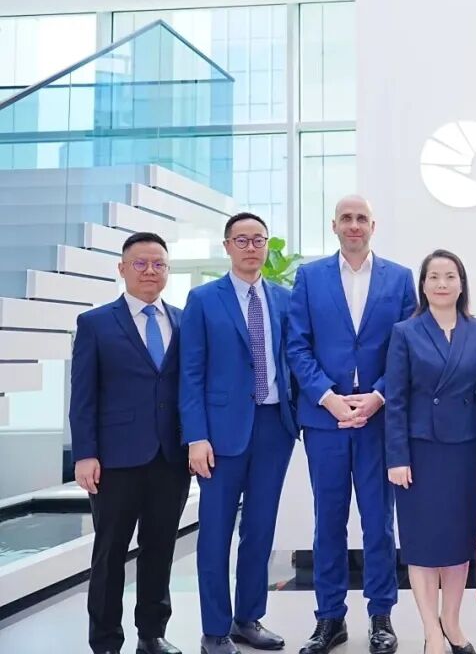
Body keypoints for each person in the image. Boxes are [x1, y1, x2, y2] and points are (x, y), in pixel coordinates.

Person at [287, 195, 417, 654]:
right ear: (334, 226)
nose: (354, 225)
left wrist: (379, 396)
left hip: (378, 420)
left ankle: (381, 616)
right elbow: (297, 345)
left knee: (379, 523)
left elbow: (407, 348)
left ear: (373, 226)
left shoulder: (399, 278)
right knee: (328, 522)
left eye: (362, 218)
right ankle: (330, 619)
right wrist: (328, 398)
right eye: (347, 218)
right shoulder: (310, 277)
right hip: (326, 421)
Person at [180, 212, 299, 654]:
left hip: (274, 427)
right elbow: (190, 372)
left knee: (260, 529)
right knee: (215, 533)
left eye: (258, 240)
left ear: (267, 245)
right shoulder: (203, 299)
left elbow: (295, 360)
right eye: (242, 240)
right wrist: (196, 436)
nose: (252, 247)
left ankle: (248, 618)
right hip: (219, 434)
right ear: (227, 246)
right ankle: (214, 629)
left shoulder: (284, 299)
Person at [69, 232, 190, 654]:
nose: (150, 271)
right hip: (115, 459)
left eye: (159, 264)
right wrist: (85, 454)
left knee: (160, 548)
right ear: (122, 269)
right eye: (140, 263)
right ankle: (105, 639)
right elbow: (82, 396)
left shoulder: (184, 321)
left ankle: (152, 633)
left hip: (170, 457)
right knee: (110, 552)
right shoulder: (96, 323)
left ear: (168, 271)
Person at [384, 249, 476, 654]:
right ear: (423, 285)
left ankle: (452, 622)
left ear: (462, 284)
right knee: (423, 544)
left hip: (464, 448)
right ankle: (431, 631)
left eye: (450, 276)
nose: (442, 283)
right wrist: (397, 456)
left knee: (459, 542)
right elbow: (395, 399)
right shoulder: (405, 332)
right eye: (434, 277)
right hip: (419, 451)